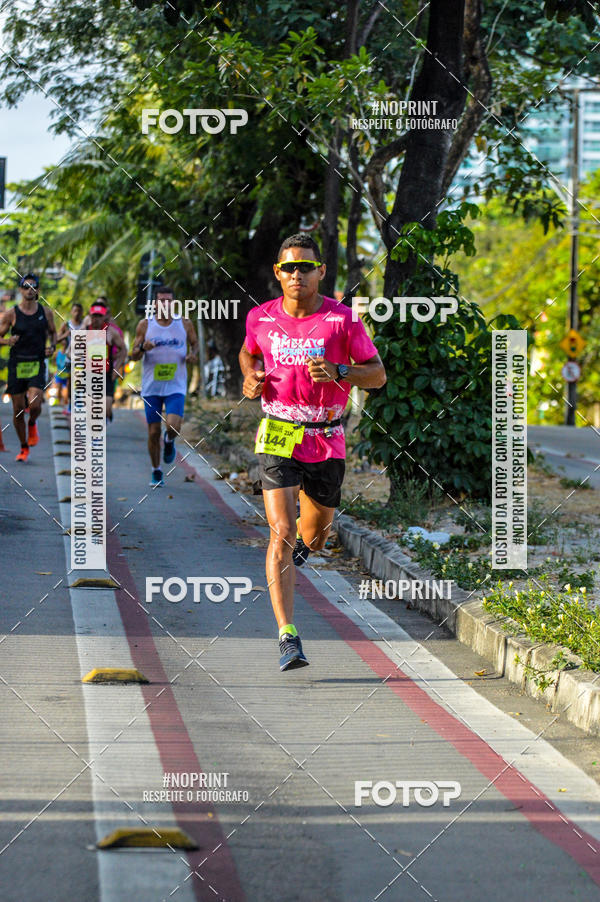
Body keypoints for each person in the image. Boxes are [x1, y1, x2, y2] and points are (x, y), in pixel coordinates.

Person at [239, 234, 386, 671]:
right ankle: (288, 636)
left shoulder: (343, 322)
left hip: (326, 434)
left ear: (321, 272)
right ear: (277, 272)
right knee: (281, 530)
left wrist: (343, 370)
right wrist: (251, 379)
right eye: (288, 267)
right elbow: (248, 356)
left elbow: (377, 376)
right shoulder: (260, 318)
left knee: (317, 535)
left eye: (305, 267)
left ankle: (305, 546)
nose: (296, 274)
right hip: (278, 431)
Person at [130, 287, 198, 486]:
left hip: (175, 386)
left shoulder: (184, 324)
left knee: (173, 426)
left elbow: (194, 343)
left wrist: (193, 354)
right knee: (153, 432)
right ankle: (156, 471)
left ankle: (169, 442)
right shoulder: (145, 325)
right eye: (161, 301)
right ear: (155, 304)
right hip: (152, 388)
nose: (164, 304)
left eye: (168, 301)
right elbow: (133, 354)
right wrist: (142, 347)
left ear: (173, 303)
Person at [0, 274, 56, 461]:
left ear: (38, 290)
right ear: (20, 290)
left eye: (33, 286)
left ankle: (32, 422)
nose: (29, 289)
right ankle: (24, 447)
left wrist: (52, 348)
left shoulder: (46, 312)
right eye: (26, 286)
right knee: (17, 409)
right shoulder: (11, 314)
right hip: (17, 364)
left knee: (34, 403)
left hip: (36, 362)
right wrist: (8, 340)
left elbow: (53, 333)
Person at [87, 301, 127, 422]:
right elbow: (71, 351)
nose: (96, 319)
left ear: (104, 316)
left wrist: (117, 368)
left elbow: (124, 350)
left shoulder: (110, 332)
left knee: (106, 408)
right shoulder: (84, 331)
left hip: (106, 374)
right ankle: (94, 436)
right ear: (90, 316)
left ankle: (104, 420)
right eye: (94, 316)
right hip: (89, 375)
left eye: (99, 316)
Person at [56, 301, 84, 410]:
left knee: (78, 379)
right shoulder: (67, 325)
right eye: (75, 311)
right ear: (71, 312)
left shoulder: (84, 325)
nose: (77, 313)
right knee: (69, 381)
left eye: (79, 311)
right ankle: (70, 404)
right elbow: (56, 339)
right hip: (68, 357)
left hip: (81, 357)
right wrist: (66, 335)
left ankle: (76, 402)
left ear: (82, 313)